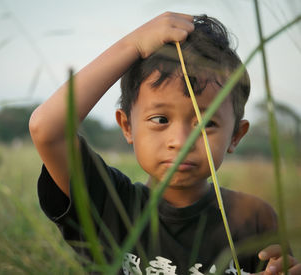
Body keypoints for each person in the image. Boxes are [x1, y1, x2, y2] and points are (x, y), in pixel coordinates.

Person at [29, 12, 300, 274]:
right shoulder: (108, 204)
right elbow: (47, 129)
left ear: (236, 136)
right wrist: (132, 44)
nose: (181, 142)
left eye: (206, 124)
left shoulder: (253, 218)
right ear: (127, 126)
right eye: (160, 119)